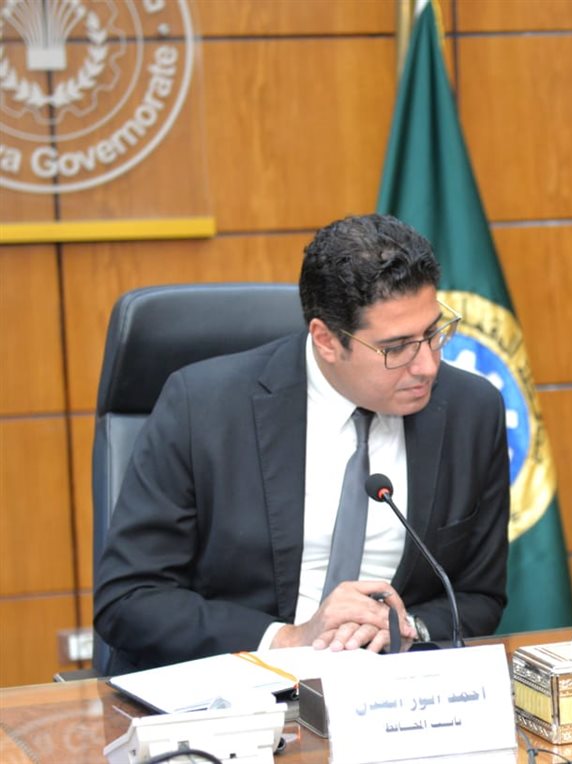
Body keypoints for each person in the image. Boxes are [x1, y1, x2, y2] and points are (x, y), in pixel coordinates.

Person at [94, 214, 510, 673]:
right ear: (326, 340)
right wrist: (289, 640)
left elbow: (479, 594)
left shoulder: (472, 411)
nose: (428, 365)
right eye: (397, 348)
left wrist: (406, 626)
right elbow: (129, 599)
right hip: (236, 684)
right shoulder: (202, 408)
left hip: (391, 685)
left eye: (433, 333)